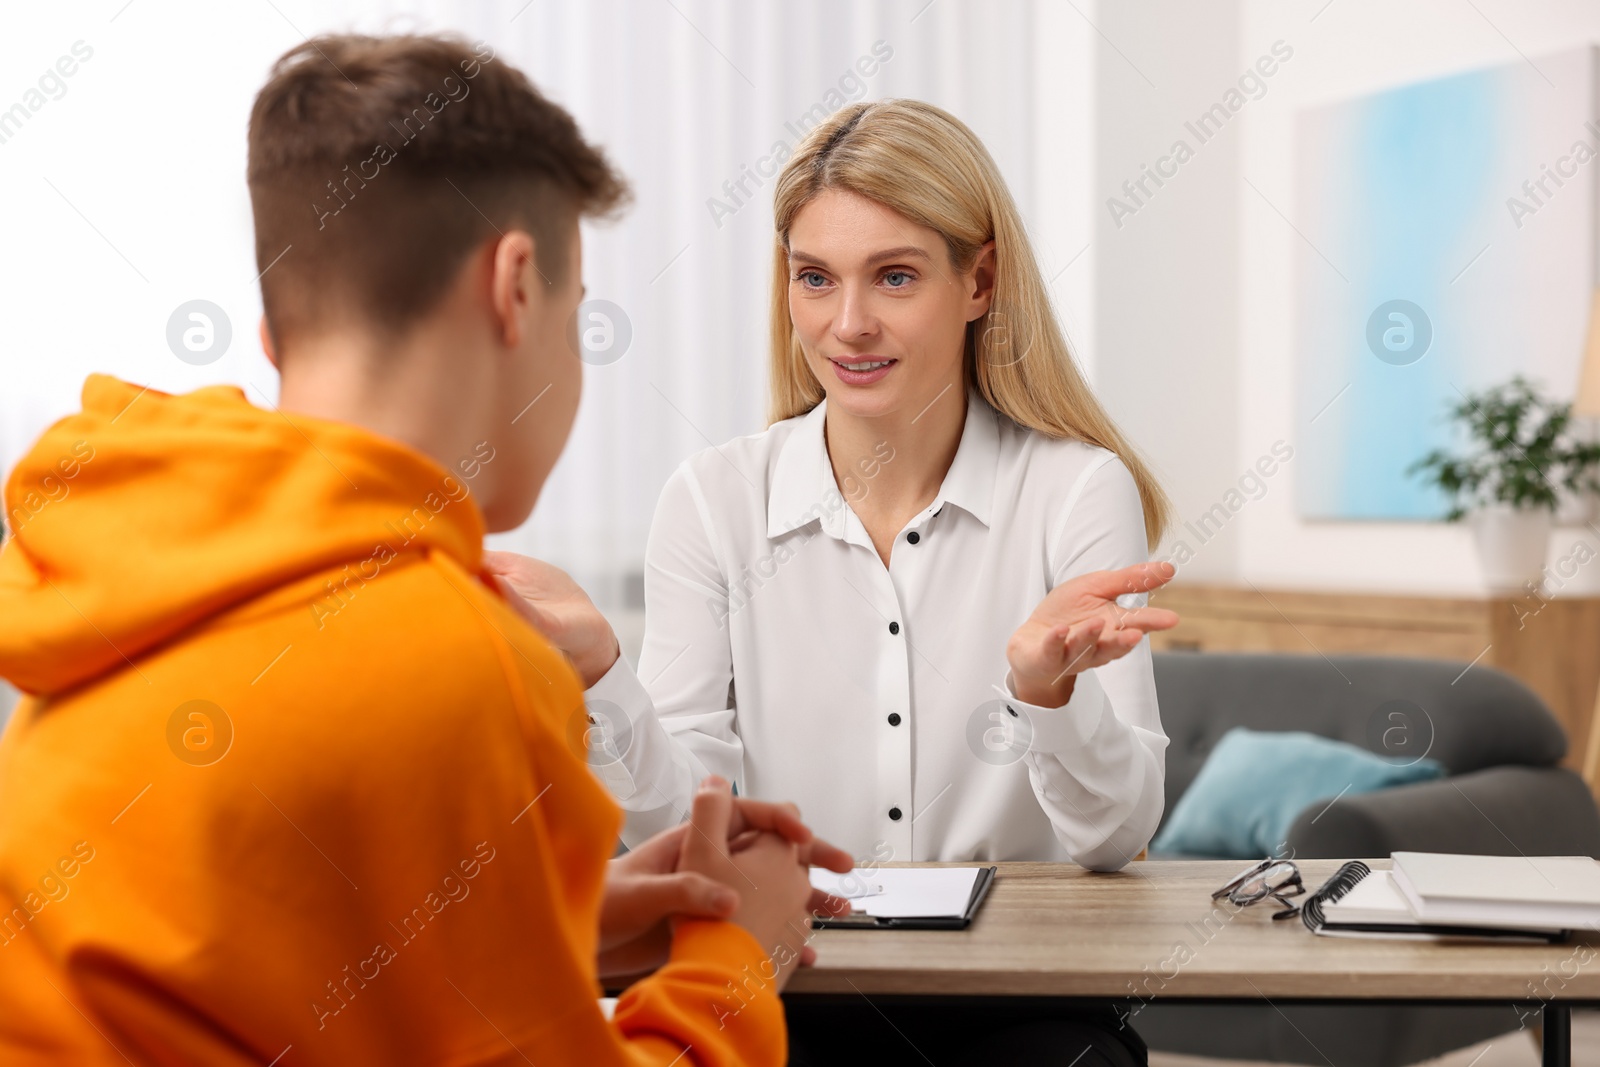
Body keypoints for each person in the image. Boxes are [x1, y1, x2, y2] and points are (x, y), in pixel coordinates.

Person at [0, 33, 851, 1067]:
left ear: (280, 334)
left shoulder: (132, 573)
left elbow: (237, 961)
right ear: (516, 285)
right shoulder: (458, 653)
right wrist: (738, 953)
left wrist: (556, 910)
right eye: (578, 317)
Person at [488, 100, 1182, 1066]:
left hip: (1026, 1004)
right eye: (815, 278)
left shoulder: (1073, 489)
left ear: (980, 280)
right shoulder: (714, 498)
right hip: (789, 990)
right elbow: (688, 823)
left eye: (894, 276)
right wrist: (606, 674)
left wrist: (1047, 696)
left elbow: (1117, 835)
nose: (848, 324)